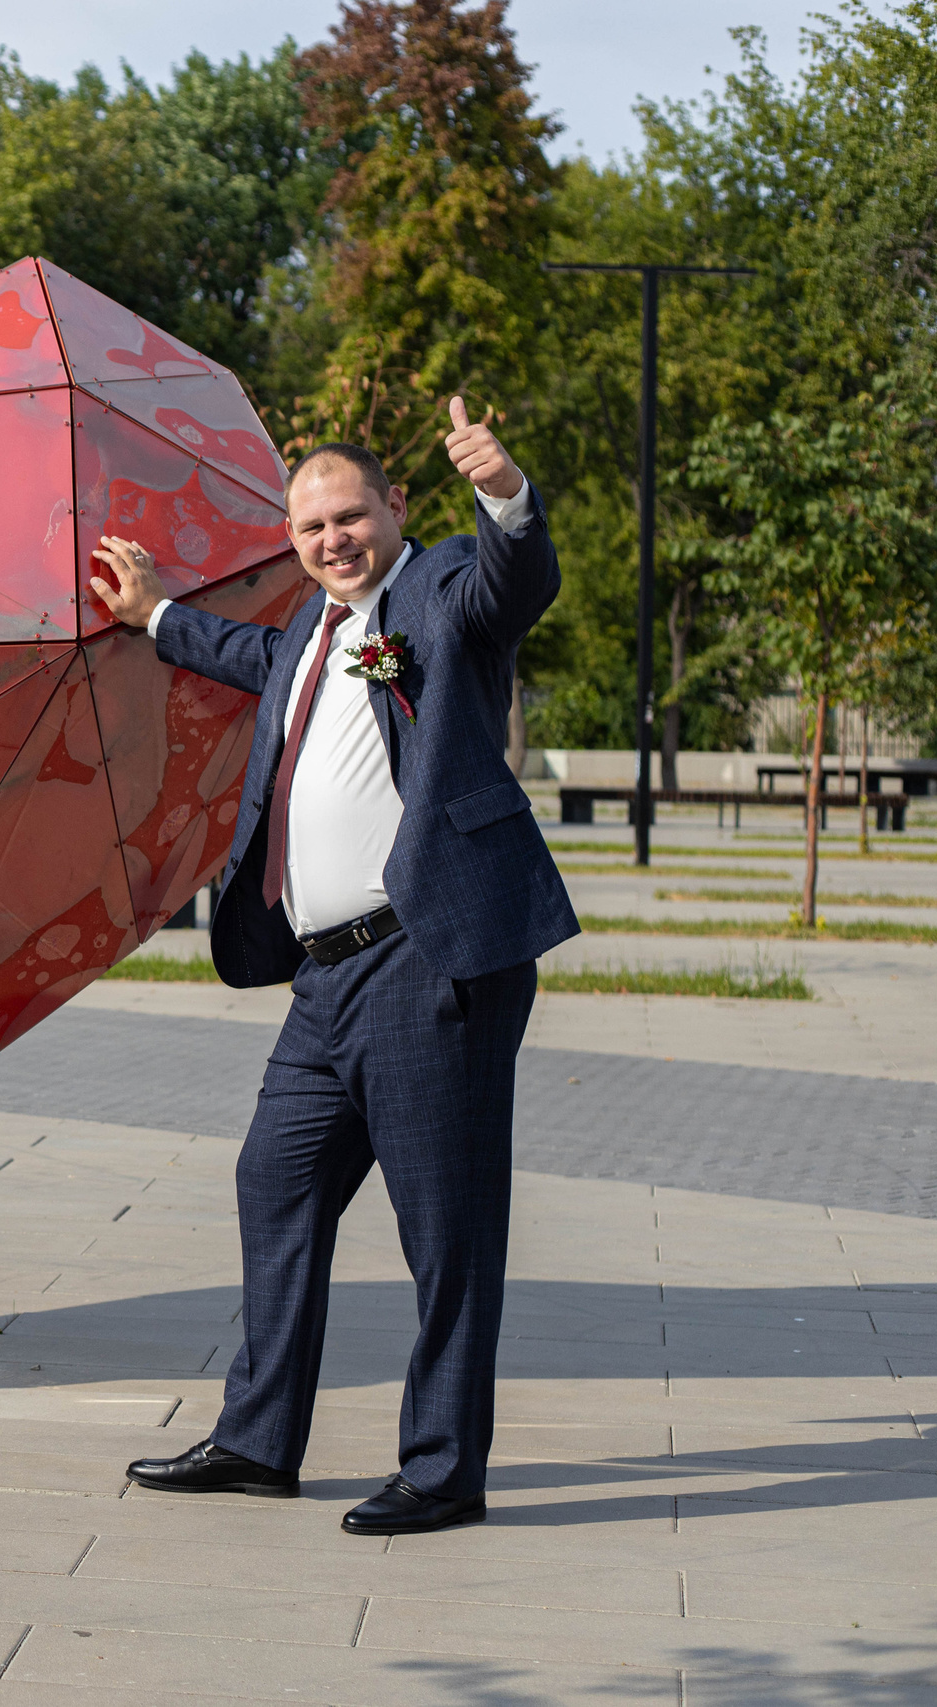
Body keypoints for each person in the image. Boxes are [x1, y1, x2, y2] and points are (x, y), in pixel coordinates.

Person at [85, 399, 576, 1535]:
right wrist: (156, 612)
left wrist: (504, 492)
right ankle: (259, 1444)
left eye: (349, 516)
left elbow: (517, 581)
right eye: (310, 528)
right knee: (275, 1181)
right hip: (324, 980)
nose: (331, 539)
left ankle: (443, 1470)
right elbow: (245, 653)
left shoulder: (441, 593)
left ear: (394, 509)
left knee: (442, 1229)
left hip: (425, 960)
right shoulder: (309, 633)